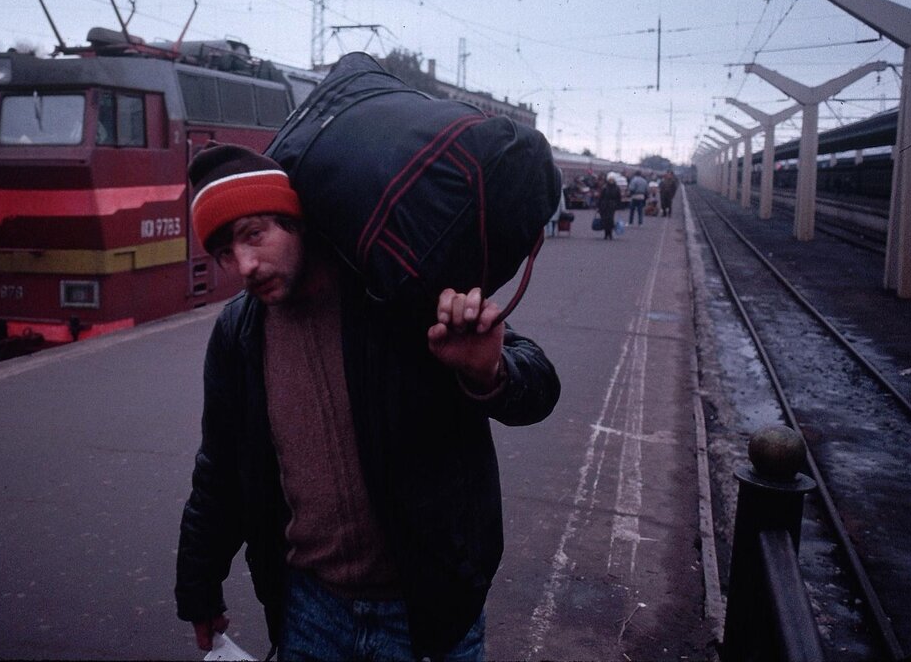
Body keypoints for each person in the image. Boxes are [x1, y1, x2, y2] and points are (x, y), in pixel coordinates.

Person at [175, 144, 560, 661]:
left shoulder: (394, 288)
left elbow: (539, 386)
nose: (243, 264)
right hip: (309, 613)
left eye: (254, 235)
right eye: (224, 252)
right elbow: (219, 467)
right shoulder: (237, 333)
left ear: (296, 222)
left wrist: (488, 370)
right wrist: (198, 586)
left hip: (425, 614)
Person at [597, 171, 621, 240]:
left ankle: (610, 234)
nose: (611, 181)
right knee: (605, 220)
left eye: (612, 179)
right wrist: (599, 206)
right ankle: (606, 234)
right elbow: (601, 197)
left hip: (612, 206)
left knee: (610, 220)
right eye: (610, 179)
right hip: (604, 206)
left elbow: (618, 197)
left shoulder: (616, 188)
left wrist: (618, 205)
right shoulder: (605, 188)